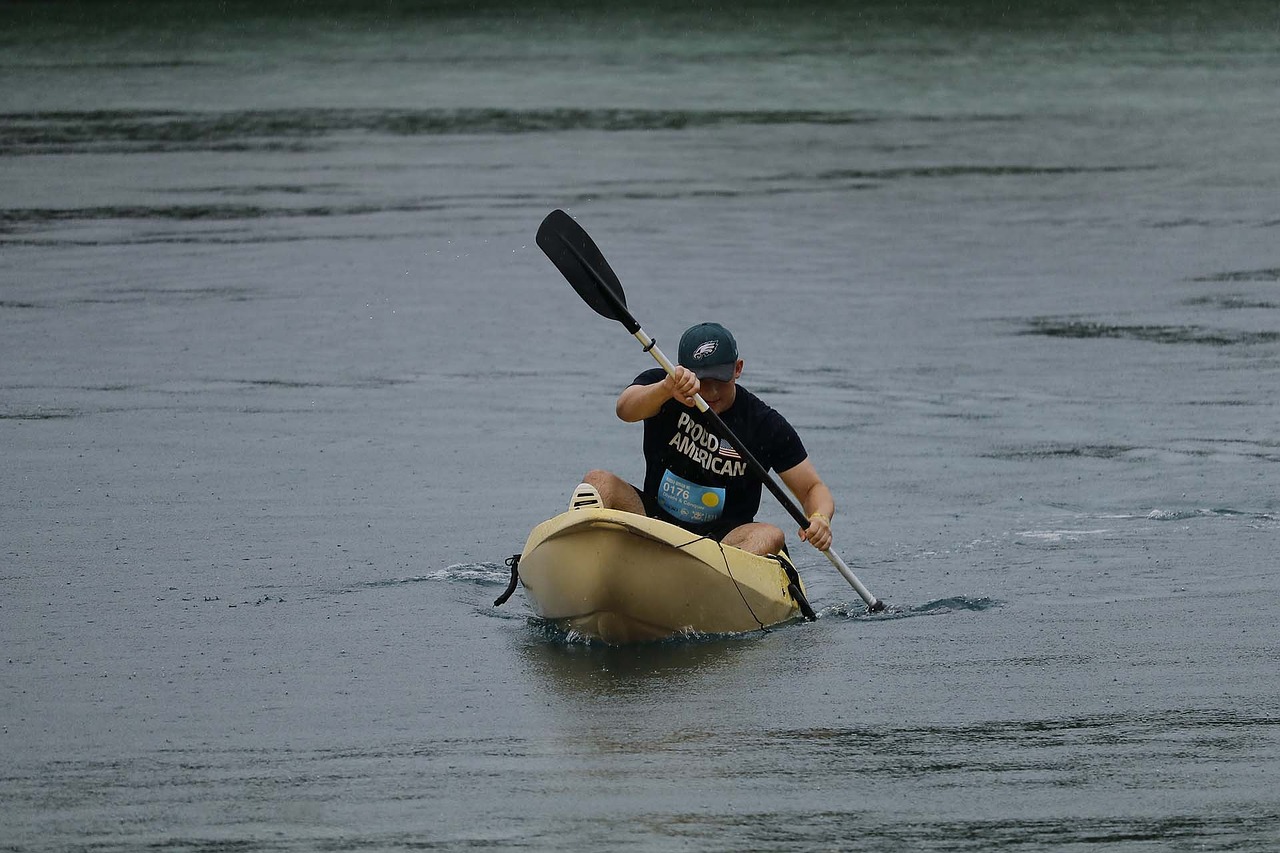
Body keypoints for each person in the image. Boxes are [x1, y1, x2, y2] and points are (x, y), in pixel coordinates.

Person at [579, 322, 834, 557]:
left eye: (720, 380)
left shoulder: (765, 424)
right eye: (701, 380)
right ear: (681, 371)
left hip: (725, 541)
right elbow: (625, 409)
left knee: (770, 535)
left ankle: (709, 579)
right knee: (598, 481)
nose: (711, 392)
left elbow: (812, 488)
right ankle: (580, 565)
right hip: (656, 520)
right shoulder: (662, 387)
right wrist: (666, 389)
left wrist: (820, 517)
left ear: (738, 369)